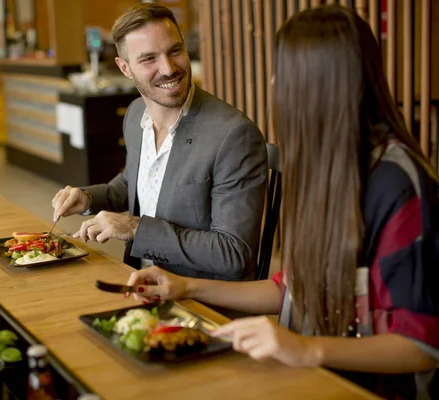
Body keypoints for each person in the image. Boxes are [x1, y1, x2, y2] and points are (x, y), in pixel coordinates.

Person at [124, 6, 439, 399]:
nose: (273, 81)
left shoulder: (396, 183)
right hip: (312, 378)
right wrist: (185, 287)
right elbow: (291, 288)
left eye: (281, 71)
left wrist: (305, 348)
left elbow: (423, 345)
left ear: (319, 83)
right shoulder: (326, 163)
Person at [51, 4, 267, 281]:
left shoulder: (233, 135)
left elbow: (234, 253)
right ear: (125, 68)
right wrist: (89, 199)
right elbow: (135, 184)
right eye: (149, 59)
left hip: (198, 298)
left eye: (175, 51)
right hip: (137, 278)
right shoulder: (136, 114)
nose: (168, 68)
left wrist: (133, 228)